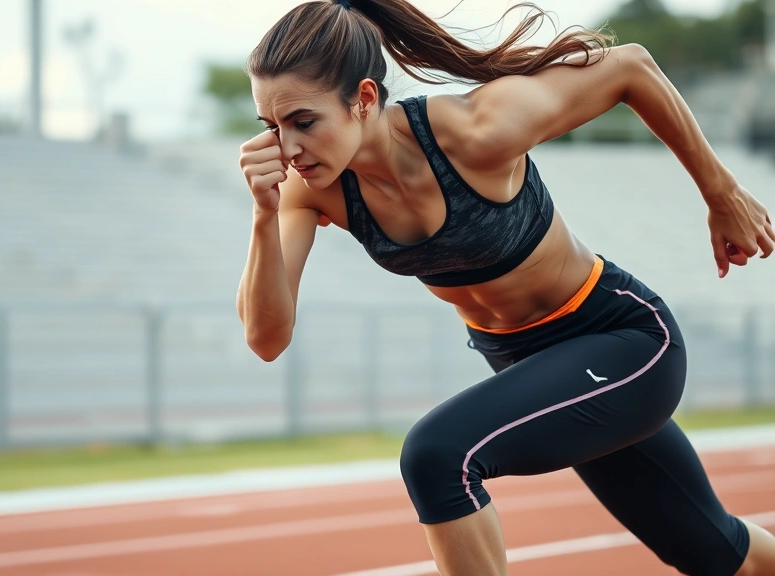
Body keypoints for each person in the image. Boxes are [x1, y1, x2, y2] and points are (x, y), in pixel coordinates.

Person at [234, 0, 775, 574]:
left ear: (364, 100)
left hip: (620, 338)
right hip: (532, 368)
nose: (286, 148)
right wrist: (264, 217)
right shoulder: (308, 189)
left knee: (437, 457)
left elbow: (630, 67)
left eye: (303, 122)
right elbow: (267, 338)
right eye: (271, 127)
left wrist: (723, 195)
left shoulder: (474, 132)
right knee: (718, 553)